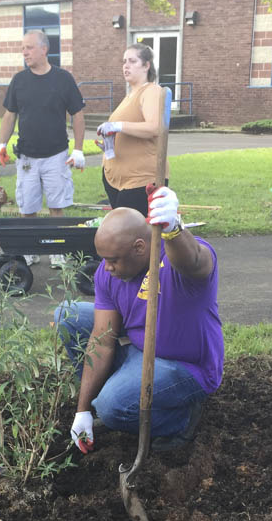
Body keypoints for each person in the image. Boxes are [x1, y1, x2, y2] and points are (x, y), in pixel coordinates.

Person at [55, 186, 223, 452]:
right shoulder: (107, 272)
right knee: (68, 314)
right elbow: (102, 341)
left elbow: (194, 261)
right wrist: (83, 410)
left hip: (185, 367)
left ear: (140, 247)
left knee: (112, 408)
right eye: (104, 260)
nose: (106, 268)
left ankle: (179, 419)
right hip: (139, 352)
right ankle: (118, 398)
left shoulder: (178, 262)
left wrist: (173, 230)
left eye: (113, 260)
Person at [0, 30, 86, 231]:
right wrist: (2, 144)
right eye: (22, 48)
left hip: (56, 156)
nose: (24, 53)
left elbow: (78, 115)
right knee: (27, 207)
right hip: (27, 158)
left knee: (57, 206)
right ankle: (30, 251)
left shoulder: (63, 79)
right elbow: (9, 114)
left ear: (44, 49)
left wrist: (79, 149)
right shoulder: (19, 80)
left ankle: (56, 249)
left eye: (29, 47)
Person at [97, 43, 167, 218]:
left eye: (132, 61)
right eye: (124, 61)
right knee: (123, 236)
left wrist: (118, 126)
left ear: (146, 65)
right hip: (117, 179)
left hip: (140, 181)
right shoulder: (130, 95)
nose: (126, 66)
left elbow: (155, 127)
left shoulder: (151, 91)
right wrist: (110, 145)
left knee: (133, 236)